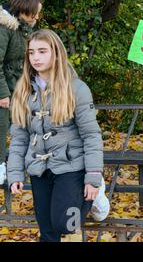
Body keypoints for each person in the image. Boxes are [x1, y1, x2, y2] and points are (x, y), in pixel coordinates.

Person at [7, 29, 109, 242]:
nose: (35, 57)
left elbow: (91, 135)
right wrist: (15, 173)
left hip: (71, 165)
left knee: (66, 224)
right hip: (39, 167)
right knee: (47, 230)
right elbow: (19, 138)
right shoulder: (23, 91)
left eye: (42, 51)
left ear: (56, 53)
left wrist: (92, 175)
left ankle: (96, 194)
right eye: (31, 52)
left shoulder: (76, 89)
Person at [0, 0, 42, 185]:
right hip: (4, 89)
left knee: (23, 125)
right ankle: (1, 168)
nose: (36, 17)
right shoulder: (4, 26)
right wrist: (3, 93)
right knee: (1, 126)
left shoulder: (23, 28)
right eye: (34, 13)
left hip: (16, 87)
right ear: (23, 9)